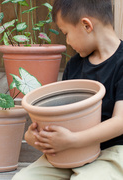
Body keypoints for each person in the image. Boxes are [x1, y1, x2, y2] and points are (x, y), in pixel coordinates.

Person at [12, 0, 123, 179]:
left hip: (114, 151)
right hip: (68, 152)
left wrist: (73, 140)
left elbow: (120, 121)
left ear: (86, 25)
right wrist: (37, 136)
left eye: (66, 33)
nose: (67, 41)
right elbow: (60, 115)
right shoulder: (74, 66)